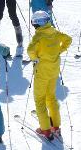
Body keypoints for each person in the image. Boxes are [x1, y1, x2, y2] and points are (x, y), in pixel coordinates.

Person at [26, 11, 72, 140]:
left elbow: (30, 51)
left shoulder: (38, 36)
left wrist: (36, 58)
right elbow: (68, 39)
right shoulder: (55, 32)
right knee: (51, 97)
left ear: (36, 24)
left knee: (40, 99)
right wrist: (59, 50)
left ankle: (45, 129)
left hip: (42, 72)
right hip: (54, 71)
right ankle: (56, 126)